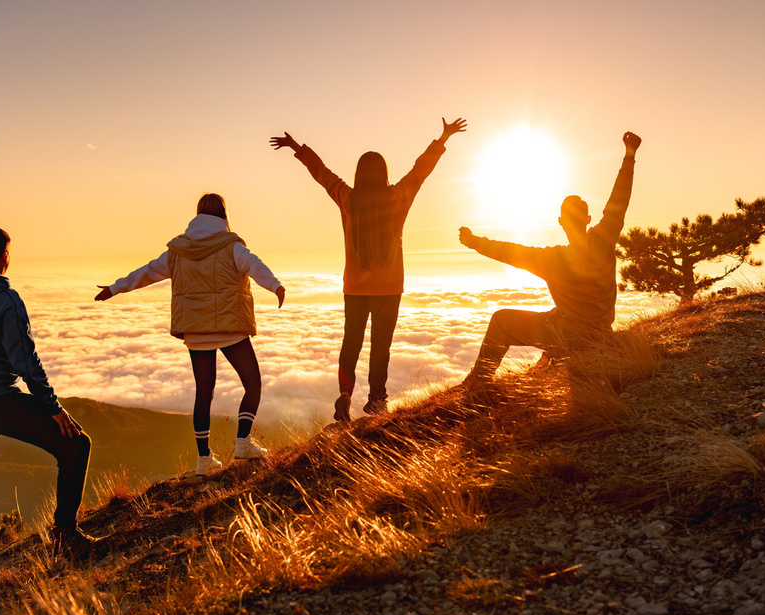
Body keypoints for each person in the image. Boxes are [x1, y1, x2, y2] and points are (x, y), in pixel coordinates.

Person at [0, 155, 95, 593]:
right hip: (0, 403)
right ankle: (65, 537)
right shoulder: (7, 301)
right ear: (6, 257)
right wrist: (54, 409)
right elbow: (27, 363)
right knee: (76, 445)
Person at [270, 118, 467, 421]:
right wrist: (443, 138)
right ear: (384, 173)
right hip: (389, 288)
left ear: (359, 175)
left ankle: (344, 397)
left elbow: (322, 174)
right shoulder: (397, 197)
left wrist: (298, 147)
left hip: (356, 287)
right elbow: (420, 171)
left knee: (352, 343)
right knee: (380, 347)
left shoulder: (349, 199)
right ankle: (377, 400)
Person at [95, 194, 285, 476]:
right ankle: (243, 442)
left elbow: (146, 273)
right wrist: (276, 287)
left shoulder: (177, 250)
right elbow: (256, 266)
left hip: (195, 331)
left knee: (203, 393)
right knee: (252, 383)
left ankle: (203, 460)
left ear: (197, 215)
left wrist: (114, 288)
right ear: (223, 214)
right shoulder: (231, 245)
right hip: (230, 328)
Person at [459, 131, 642, 380]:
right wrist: (629, 155)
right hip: (601, 332)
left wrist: (473, 242)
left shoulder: (552, 259)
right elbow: (620, 198)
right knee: (552, 316)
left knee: (501, 320)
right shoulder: (604, 239)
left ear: (560, 222)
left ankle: (479, 380)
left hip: (569, 337)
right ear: (588, 220)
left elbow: (509, 252)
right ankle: (548, 360)